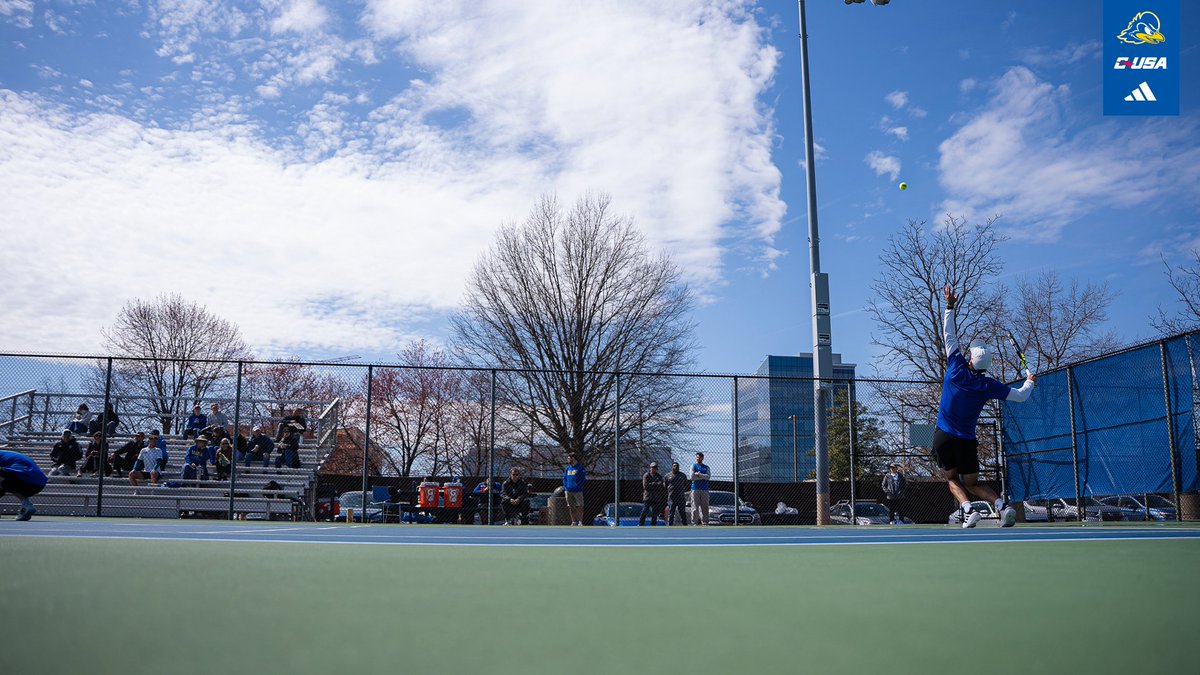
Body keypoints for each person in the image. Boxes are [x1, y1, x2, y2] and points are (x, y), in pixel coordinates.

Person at [938, 285, 1036, 529]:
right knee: (972, 482)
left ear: (970, 359)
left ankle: (968, 509)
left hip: (943, 436)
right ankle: (1002, 505)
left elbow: (949, 334)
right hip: (966, 441)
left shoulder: (956, 367)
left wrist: (950, 305)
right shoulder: (988, 385)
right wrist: (1030, 382)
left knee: (951, 478)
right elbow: (1022, 396)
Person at [0, 450, 48, 520]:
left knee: (3, 481)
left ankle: (26, 504)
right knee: (4, 482)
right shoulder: (6, 455)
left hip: (26, 481)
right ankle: (26, 505)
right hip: (39, 484)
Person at [562, 452, 586, 526]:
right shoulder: (567, 469)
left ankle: (580, 522)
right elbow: (564, 478)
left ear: (573, 458)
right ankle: (574, 521)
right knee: (571, 507)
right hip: (568, 491)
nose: (568, 459)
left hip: (578, 491)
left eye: (569, 458)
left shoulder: (580, 467)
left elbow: (582, 479)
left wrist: (577, 486)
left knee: (580, 506)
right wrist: (566, 487)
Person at [639, 462, 666, 526]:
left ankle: (653, 525)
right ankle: (641, 524)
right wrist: (656, 484)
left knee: (655, 513)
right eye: (653, 467)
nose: (654, 469)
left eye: (655, 468)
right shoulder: (646, 475)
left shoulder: (659, 476)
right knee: (645, 511)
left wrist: (652, 484)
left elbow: (661, 486)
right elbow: (646, 486)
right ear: (650, 468)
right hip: (648, 497)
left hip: (656, 498)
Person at [690, 452, 711, 526]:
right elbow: (692, 477)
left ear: (702, 458)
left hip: (704, 489)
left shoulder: (706, 467)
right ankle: (694, 523)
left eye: (700, 457)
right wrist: (703, 477)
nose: (698, 458)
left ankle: (705, 522)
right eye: (697, 457)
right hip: (695, 489)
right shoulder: (693, 466)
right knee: (695, 507)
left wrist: (699, 475)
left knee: (704, 506)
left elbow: (708, 477)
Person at [666, 461, 689, 526]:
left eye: (677, 466)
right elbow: (665, 484)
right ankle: (670, 527)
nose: (675, 467)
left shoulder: (683, 475)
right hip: (672, 497)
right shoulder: (668, 475)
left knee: (682, 513)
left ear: (679, 467)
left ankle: (685, 526)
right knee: (671, 513)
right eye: (674, 466)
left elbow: (685, 484)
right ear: (672, 467)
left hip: (681, 497)